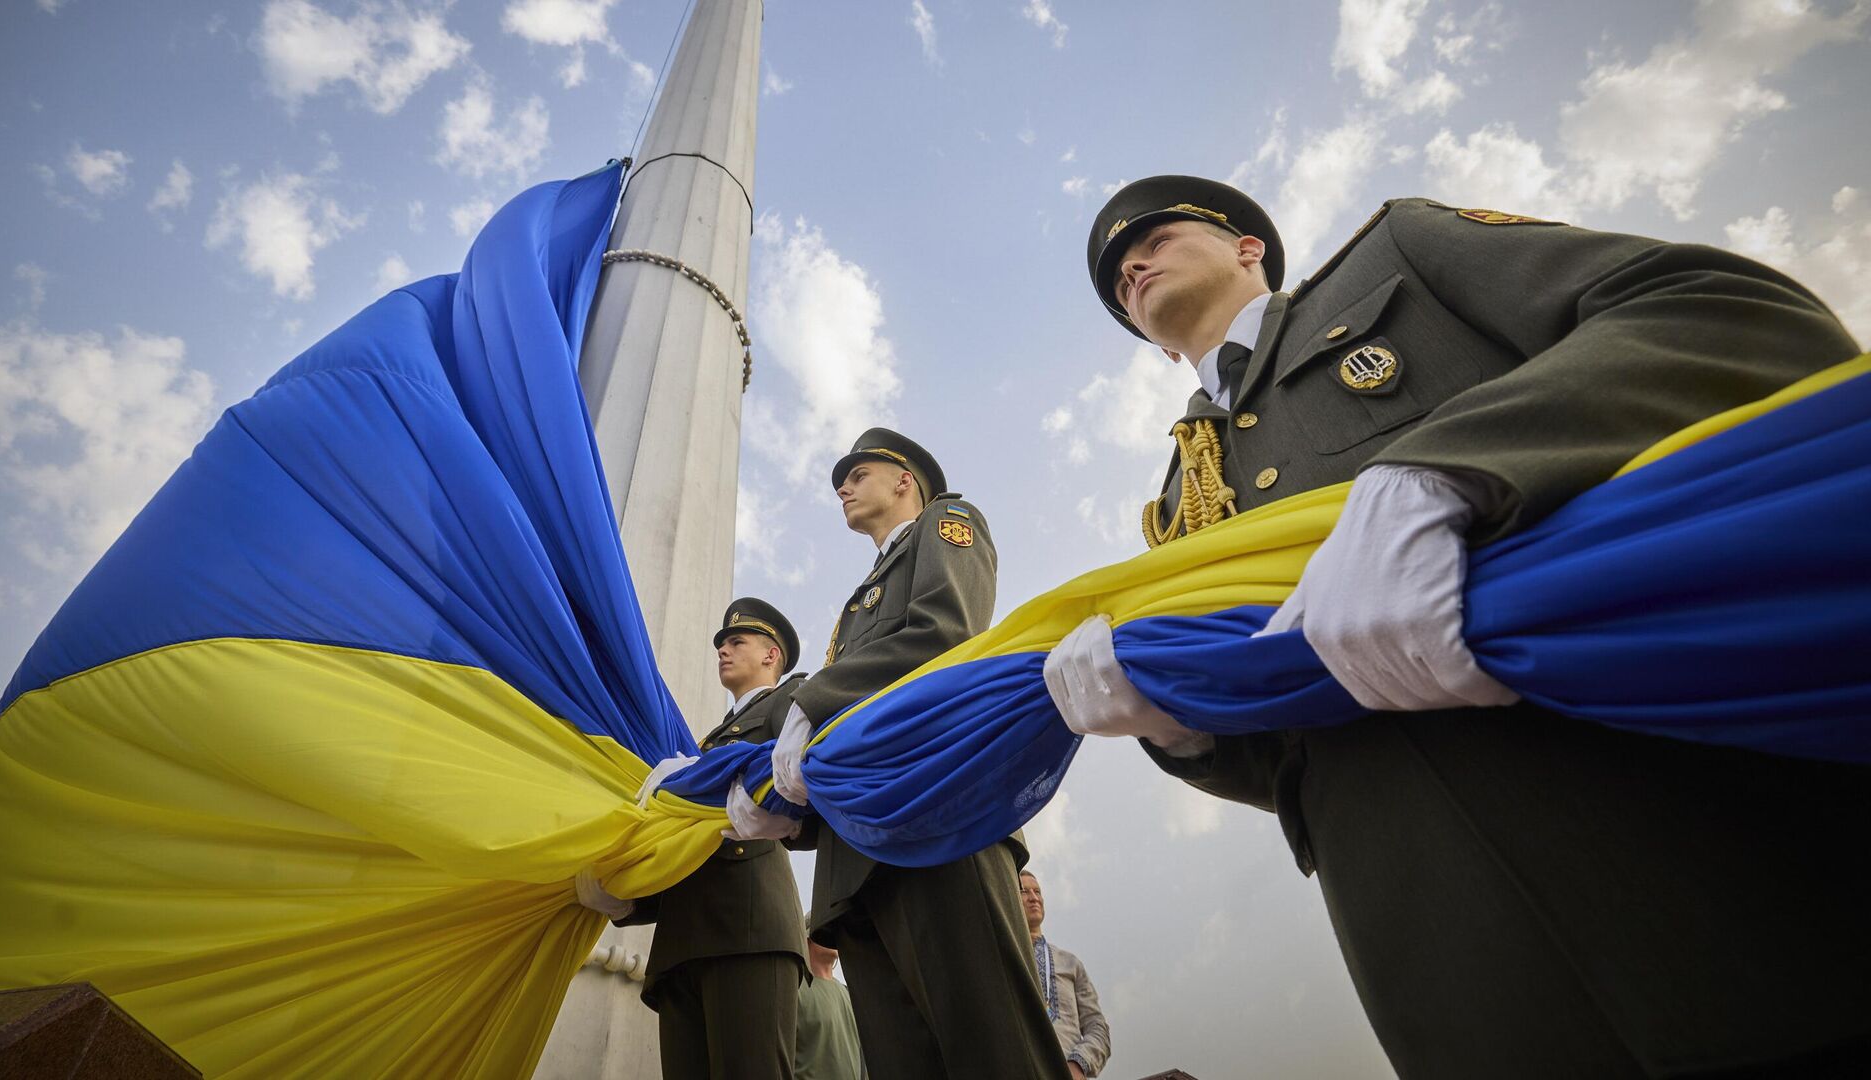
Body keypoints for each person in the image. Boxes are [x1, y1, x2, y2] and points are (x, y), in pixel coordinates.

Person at [1046, 175, 1871, 1077]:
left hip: (1694, 852)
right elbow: (1284, 756)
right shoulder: (1176, 509)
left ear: (1249, 246)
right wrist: (1177, 724)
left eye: (1155, 236)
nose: (1131, 262)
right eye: (1118, 275)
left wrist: (1448, 467)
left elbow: (1714, 310)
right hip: (1448, 963)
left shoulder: (1396, 258)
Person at [763, 427, 1064, 1080]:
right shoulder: (853, 607)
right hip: (856, 860)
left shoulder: (946, 523)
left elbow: (944, 632)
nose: (842, 486)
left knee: (995, 1052)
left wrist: (811, 701)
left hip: (938, 820)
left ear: (904, 480)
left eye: (858, 473)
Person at [589, 598, 810, 1080]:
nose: (723, 652)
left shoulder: (792, 704)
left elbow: (799, 791)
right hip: (684, 938)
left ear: (771, 655)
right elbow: (682, 845)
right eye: (721, 645)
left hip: (748, 927)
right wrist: (628, 902)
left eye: (736, 643)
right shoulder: (704, 746)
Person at [1019, 870, 1110, 1079]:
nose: (1034, 898)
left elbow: (1097, 1027)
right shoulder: (1000, 960)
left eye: (1038, 892)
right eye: (1024, 891)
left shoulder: (1070, 963)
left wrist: (1077, 1065)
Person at [795, 941, 866, 1080]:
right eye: (823, 931)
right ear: (806, 939)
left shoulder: (849, 994)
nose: (830, 938)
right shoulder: (794, 991)